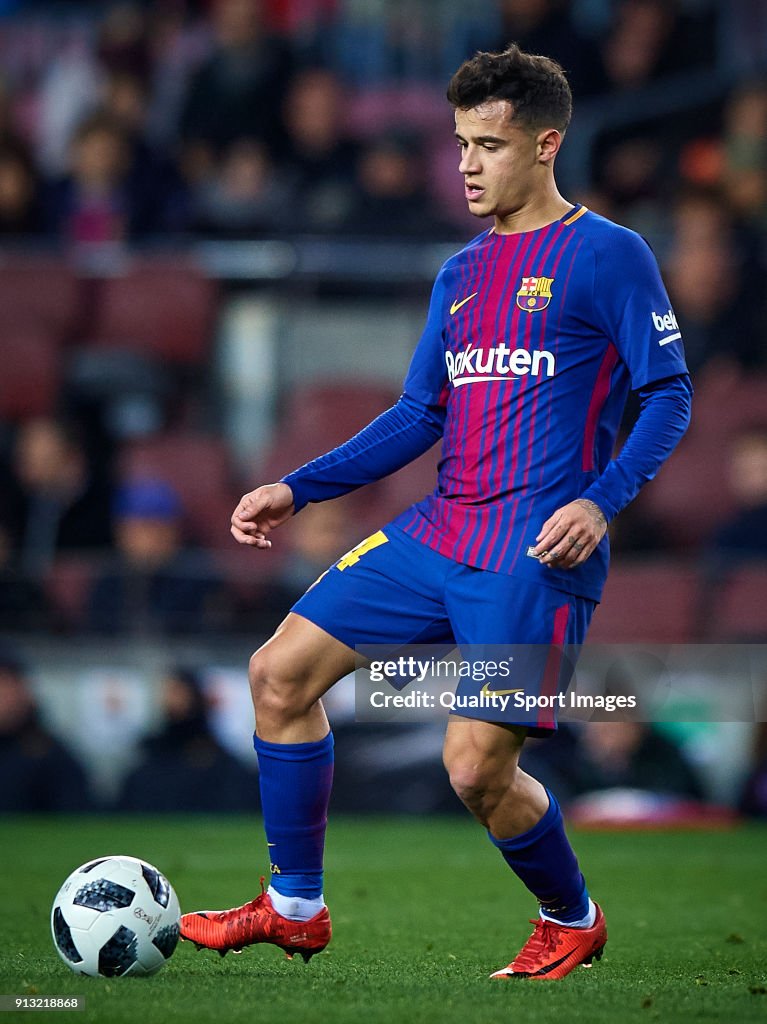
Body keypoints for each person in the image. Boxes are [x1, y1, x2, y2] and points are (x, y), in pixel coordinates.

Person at [180, 44, 692, 980]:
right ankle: (294, 906)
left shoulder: (608, 255)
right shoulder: (458, 272)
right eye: (458, 143)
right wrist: (297, 487)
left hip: (533, 547)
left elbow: (668, 395)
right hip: (441, 525)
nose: (464, 163)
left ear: (544, 145)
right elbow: (419, 413)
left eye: (486, 145)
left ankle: (569, 916)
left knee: (472, 769)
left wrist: (600, 500)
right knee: (278, 675)